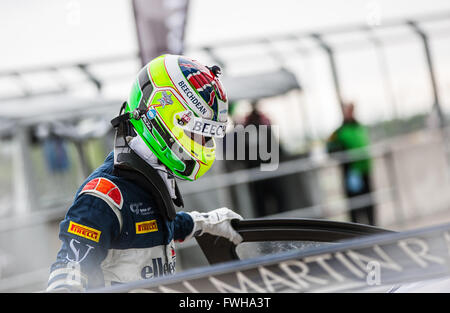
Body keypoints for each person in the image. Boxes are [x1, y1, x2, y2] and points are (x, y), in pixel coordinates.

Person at [46, 54, 243, 292]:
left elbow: (157, 226)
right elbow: (68, 267)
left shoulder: (151, 175)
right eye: (198, 133)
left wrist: (204, 222)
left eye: (207, 136)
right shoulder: (105, 195)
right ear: (161, 115)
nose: (204, 142)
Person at [326, 102, 375, 225]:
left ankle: (372, 227)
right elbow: (330, 149)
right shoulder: (339, 132)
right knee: (354, 205)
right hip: (350, 172)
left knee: (369, 201)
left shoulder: (359, 127)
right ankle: (356, 230)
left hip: (364, 170)